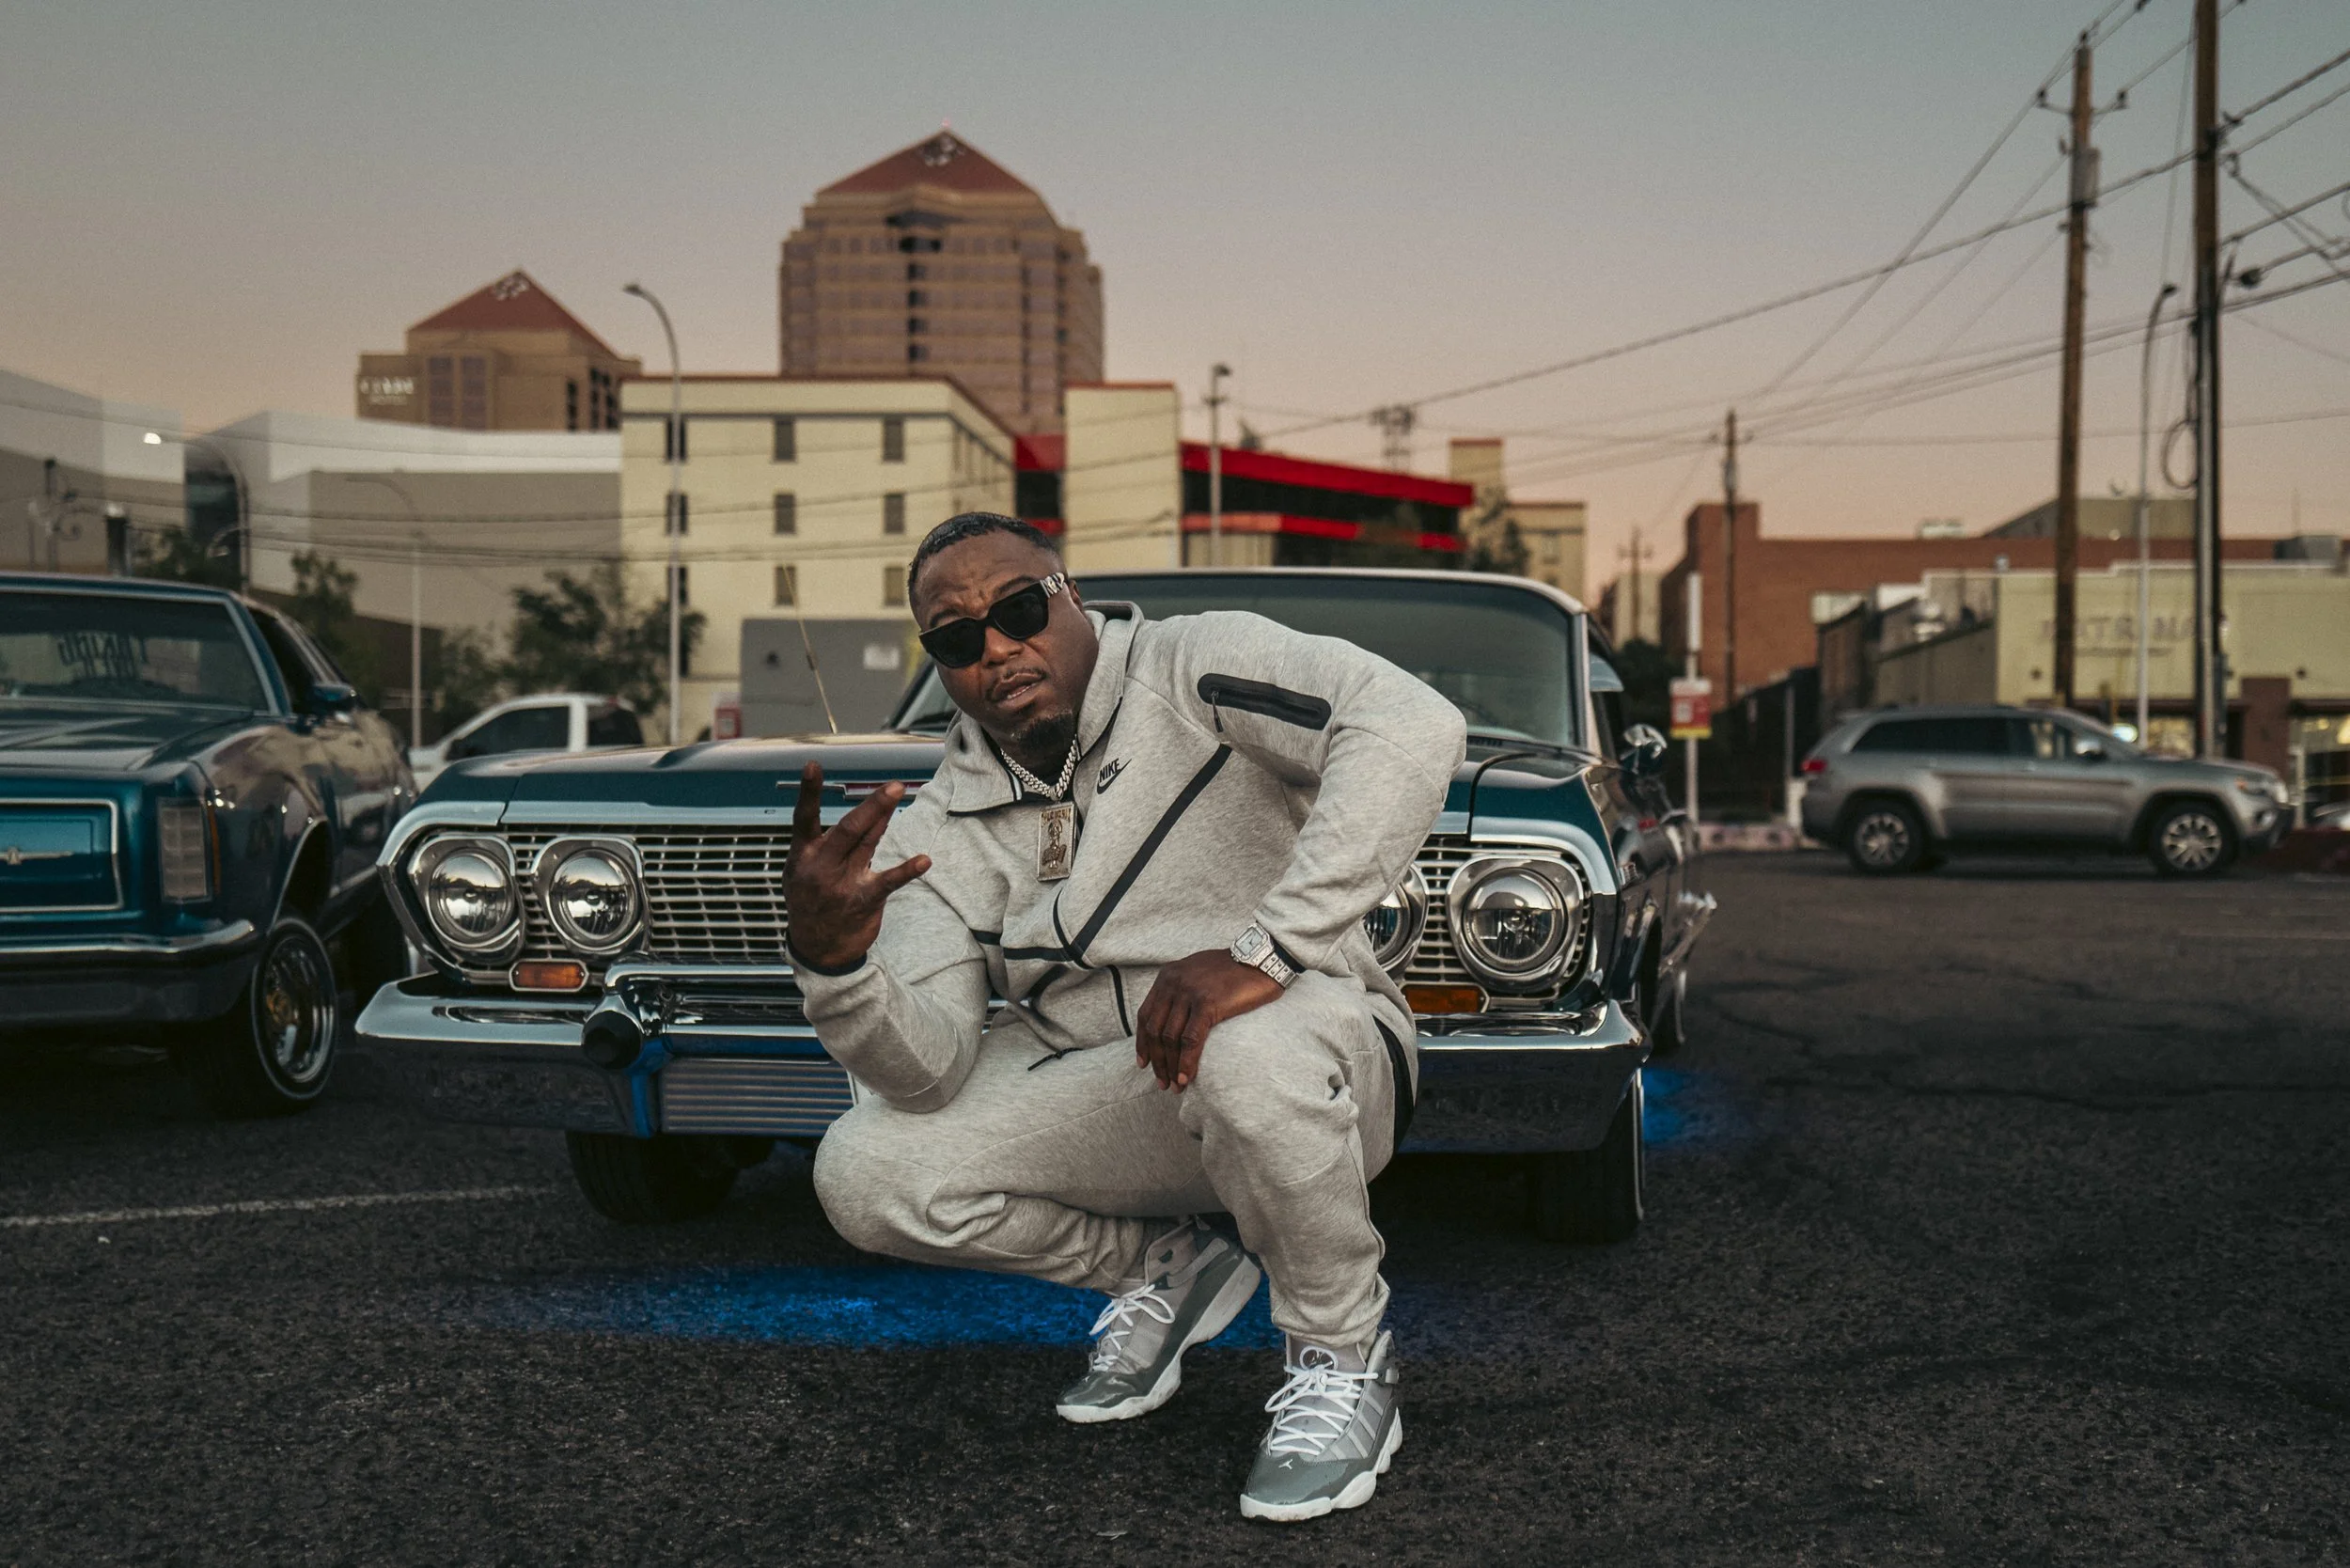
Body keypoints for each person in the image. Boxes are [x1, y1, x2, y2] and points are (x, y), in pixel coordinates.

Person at [787, 512, 1465, 1522]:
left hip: (1310, 1060)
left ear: (1069, 597)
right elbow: (925, 1073)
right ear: (939, 665)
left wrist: (1266, 949)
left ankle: (1340, 1351)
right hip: (1128, 1089)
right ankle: (1160, 1266)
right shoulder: (938, 826)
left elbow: (1410, 723)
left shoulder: (1192, 664)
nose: (998, 649)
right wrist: (834, 965)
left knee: (1243, 1052)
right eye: (957, 639)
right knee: (863, 1170)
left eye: (1018, 610)